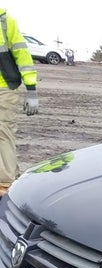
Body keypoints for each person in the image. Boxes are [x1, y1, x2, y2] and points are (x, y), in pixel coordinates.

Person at [0, 8, 38, 196]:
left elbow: (22, 55)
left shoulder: (5, 22)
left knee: (3, 131)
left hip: (5, 87)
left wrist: (31, 89)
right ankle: (11, 175)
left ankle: (5, 184)